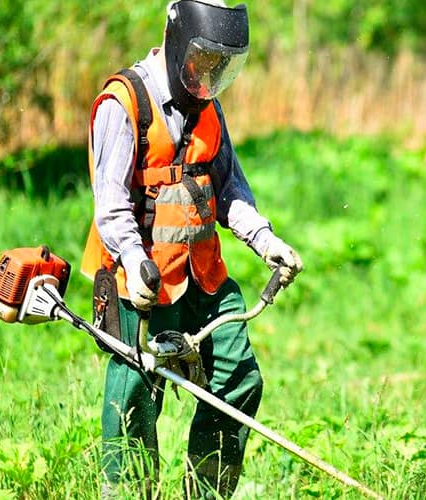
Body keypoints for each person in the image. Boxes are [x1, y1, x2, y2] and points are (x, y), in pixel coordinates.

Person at [79, 1, 303, 497]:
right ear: (179, 38)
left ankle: (204, 492)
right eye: (204, 59)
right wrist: (137, 265)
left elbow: (230, 191)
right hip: (141, 281)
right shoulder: (124, 104)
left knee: (240, 378)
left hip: (204, 277)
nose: (210, 74)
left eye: (222, 64)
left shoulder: (208, 106)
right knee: (135, 396)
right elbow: (110, 207)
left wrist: (267, 242)